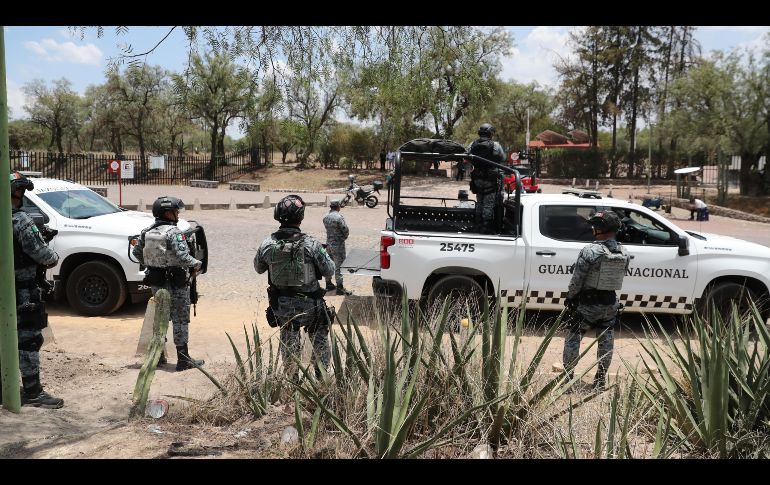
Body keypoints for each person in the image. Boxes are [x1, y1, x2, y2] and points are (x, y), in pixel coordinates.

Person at [255, 195, 336, 378]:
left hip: (282, 306)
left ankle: (292, 382)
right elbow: (330, 270)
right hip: (311, 307)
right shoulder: (311, 244)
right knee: (320, 339)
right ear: (300, 217)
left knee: (289, 344)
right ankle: (322, 380)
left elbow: (258, 268)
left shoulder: (267, 244)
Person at [2, 172, 63, 408]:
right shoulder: (21, 220)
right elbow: (45, 257)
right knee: (28, 340)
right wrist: (50, 254)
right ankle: (32, 391)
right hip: (22, 291)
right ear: (17, 192)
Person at [132, 196, 204, 371]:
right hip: (177, 283)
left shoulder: (147, 231)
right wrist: (197, 263)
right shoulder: (174, 233)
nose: (178, 214)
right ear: (167, 213)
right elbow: (183, 256)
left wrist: (153, 264)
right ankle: (183, 360)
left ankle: (157, 357)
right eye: (175, 211)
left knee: (160, 319)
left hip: (157, 282)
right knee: (180, 319)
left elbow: (137, 253)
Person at [562, 211, 630, 391]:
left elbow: (577, 279)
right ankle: (600, 381)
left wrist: (570, 297)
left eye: (595, 226)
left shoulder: (590, 251)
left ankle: (568, 380)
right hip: (610, 304)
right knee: (606, 340)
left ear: (600, 229)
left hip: (587, 305)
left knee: (573, 338)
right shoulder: (624, 252)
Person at [468, 123, 507, 234]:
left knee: (479, 201)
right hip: (490, 179)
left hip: (477, 179)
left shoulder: (472, 144)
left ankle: (477, 224)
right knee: (488, 204)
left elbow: (468, 156)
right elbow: (503, 158)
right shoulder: (496, 145)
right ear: (490, 133)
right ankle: (485, 227)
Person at [323, 199, 353, 295]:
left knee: (328, 264)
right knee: (338, 266)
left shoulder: (325, 217)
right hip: (338, 245)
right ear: (338, 207)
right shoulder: (339, 217)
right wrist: (344, 237)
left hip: (328, 244)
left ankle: (328, 284)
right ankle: (340, 288)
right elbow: (345, 229)